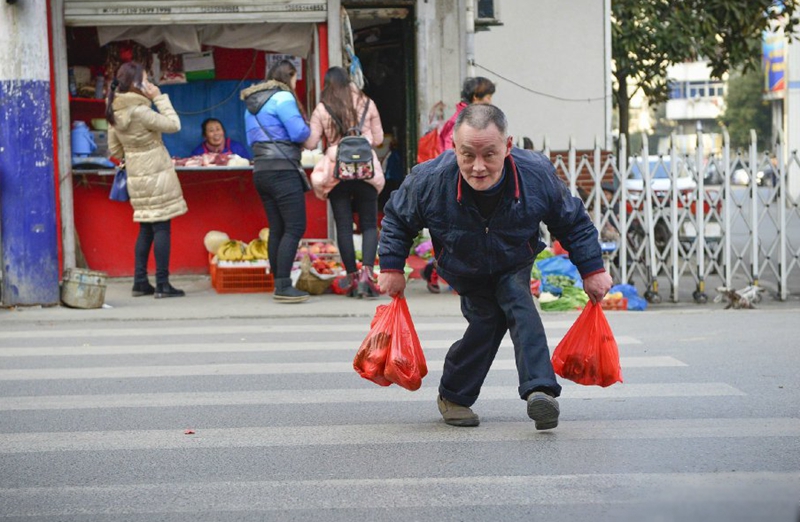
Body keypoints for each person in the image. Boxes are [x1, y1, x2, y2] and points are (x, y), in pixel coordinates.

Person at [377, 104, 612, 429]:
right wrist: (391, 267)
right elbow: (398, 220)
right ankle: (453, 395)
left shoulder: (535, 175)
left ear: (508, 146)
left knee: (518, 303)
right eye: (467, 155)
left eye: (489, 154)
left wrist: (593, 270)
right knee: (488, 319)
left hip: (514, 256)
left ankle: (540, 391)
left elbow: (573, 223)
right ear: (454, 148)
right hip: (462, 263)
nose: (478, 167)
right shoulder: (430, 180)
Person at [107, 61, 188, 299]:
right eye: (145, 79)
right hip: (156, 171)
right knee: (162, 225)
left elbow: (114, 149)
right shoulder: (141, 111)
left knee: (146, 228)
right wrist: (160, 97)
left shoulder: (115, 111)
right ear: (135, 84)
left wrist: (134, 154)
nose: (149, 84)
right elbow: (174, 125)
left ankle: (140, 282)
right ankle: (162, 284)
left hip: (136, 173)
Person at [304, 66, 385, 298]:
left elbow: (311, 143)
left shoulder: (322, 108)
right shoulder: (367, 103)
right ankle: (367, 279)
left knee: (343, 226)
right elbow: (378, 139)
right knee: (369, 224)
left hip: (337, 171)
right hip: (366, 171)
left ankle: (351, 279)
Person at [241, 59, 311, 303]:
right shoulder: (283, 98)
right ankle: (283, 286)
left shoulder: (251, 104)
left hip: (261, 169)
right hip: (283, 169)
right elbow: (299, 133)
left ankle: (278, 282)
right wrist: (309, 130)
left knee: (278, 228)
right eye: (294, 78)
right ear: (288, 76)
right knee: (294, 227)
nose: (295, 83)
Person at [425, 76, 496, 293]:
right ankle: (439, 273)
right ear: (476, 98)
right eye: (488, 99)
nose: (491, 104)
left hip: (463, 183)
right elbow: (453, 157)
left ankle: (442, 273)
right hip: (457, 185)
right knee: (454, 236)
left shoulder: (466, 119)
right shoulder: (463, 122)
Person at [437, 76, 495, 152]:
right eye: (488, 97)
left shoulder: (470, 117)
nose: (490, 102)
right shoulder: (462, 121)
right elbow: (450, 153)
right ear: (475, 97)